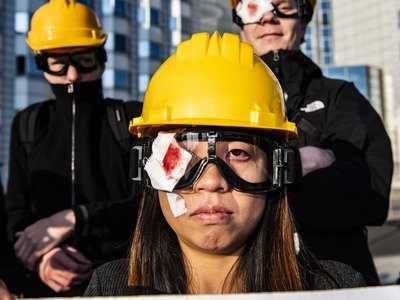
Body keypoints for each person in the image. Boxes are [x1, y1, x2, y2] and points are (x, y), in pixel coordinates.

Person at [84, 32, 365, 296]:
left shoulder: (334, 289)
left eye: (239, 153)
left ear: (278, 169)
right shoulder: (110, 289)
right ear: (149, 168)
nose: (211, 181)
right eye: (183, 156)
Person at [229, 0, 393, 285]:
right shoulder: (221, 101)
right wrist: (305, 162)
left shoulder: (341, 98)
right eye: (254, 8)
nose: (269, 18)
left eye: (283, 7)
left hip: (336, 280)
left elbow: (368, 194)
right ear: (241, 25)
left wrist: (246, 183)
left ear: (304, 21)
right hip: (242, 281)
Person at [5, 0, 141, 296]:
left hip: (122, 282)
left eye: (83, 60)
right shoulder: (29, 123)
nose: (72, 75)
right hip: (47, 287)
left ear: (101, 59)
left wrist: (76, 218)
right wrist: (43, 258)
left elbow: (150, 205)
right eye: (58, 62)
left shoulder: (130, 119)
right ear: (42, 64)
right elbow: (15, 210)